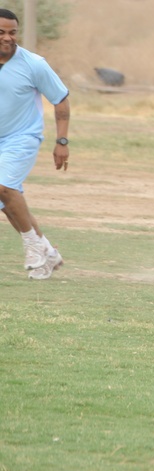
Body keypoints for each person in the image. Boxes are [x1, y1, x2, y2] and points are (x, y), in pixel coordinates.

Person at [0, 8, 69, 280]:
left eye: (13, 32)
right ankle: (48, 252)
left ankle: (32, 246)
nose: (8, 38)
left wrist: (61, 141)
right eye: (1, 32)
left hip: (22, 138)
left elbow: (60, 100)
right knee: (8, 199)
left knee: (4, 188)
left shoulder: (34, 64)